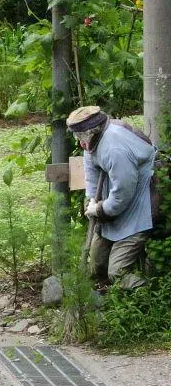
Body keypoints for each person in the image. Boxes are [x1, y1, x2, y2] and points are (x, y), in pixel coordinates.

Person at [67, 105, 155, 290]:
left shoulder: (115, 148)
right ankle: (110, 299)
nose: (79, 142)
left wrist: (100, 209)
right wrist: (91, 199)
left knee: (117, 272)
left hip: (137, 209)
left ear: (90, 131)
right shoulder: (91, 140)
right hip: (112, 207)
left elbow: (124, 193)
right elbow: (90, 171)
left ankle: (149, 294)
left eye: (80, 136)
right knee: (98, 264)